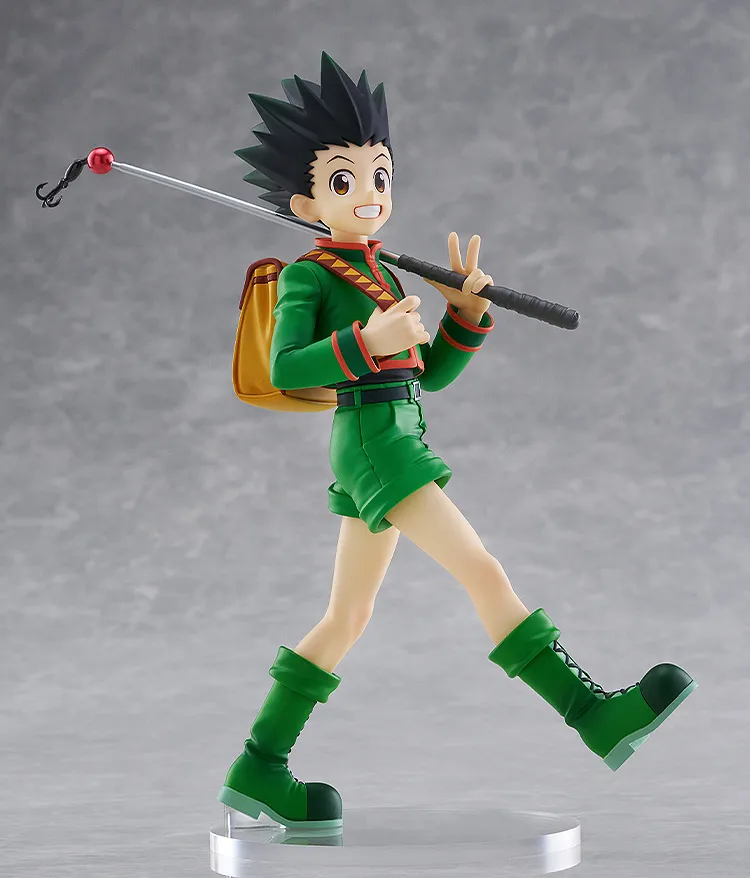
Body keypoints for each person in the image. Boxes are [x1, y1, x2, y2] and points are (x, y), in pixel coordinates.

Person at [217, 52, 696, 829]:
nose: (369, 193)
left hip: (389, 432)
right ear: (307, 202)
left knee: (348, 616)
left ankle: (259, 766)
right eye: (344, 179)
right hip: (375, 441)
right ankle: (592, 715)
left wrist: (463, 315)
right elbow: (286, 366)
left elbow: (428, 376)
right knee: (481, 569)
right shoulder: (312, 277)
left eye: (380, 174)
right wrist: (366, 343)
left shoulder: (381, 274)